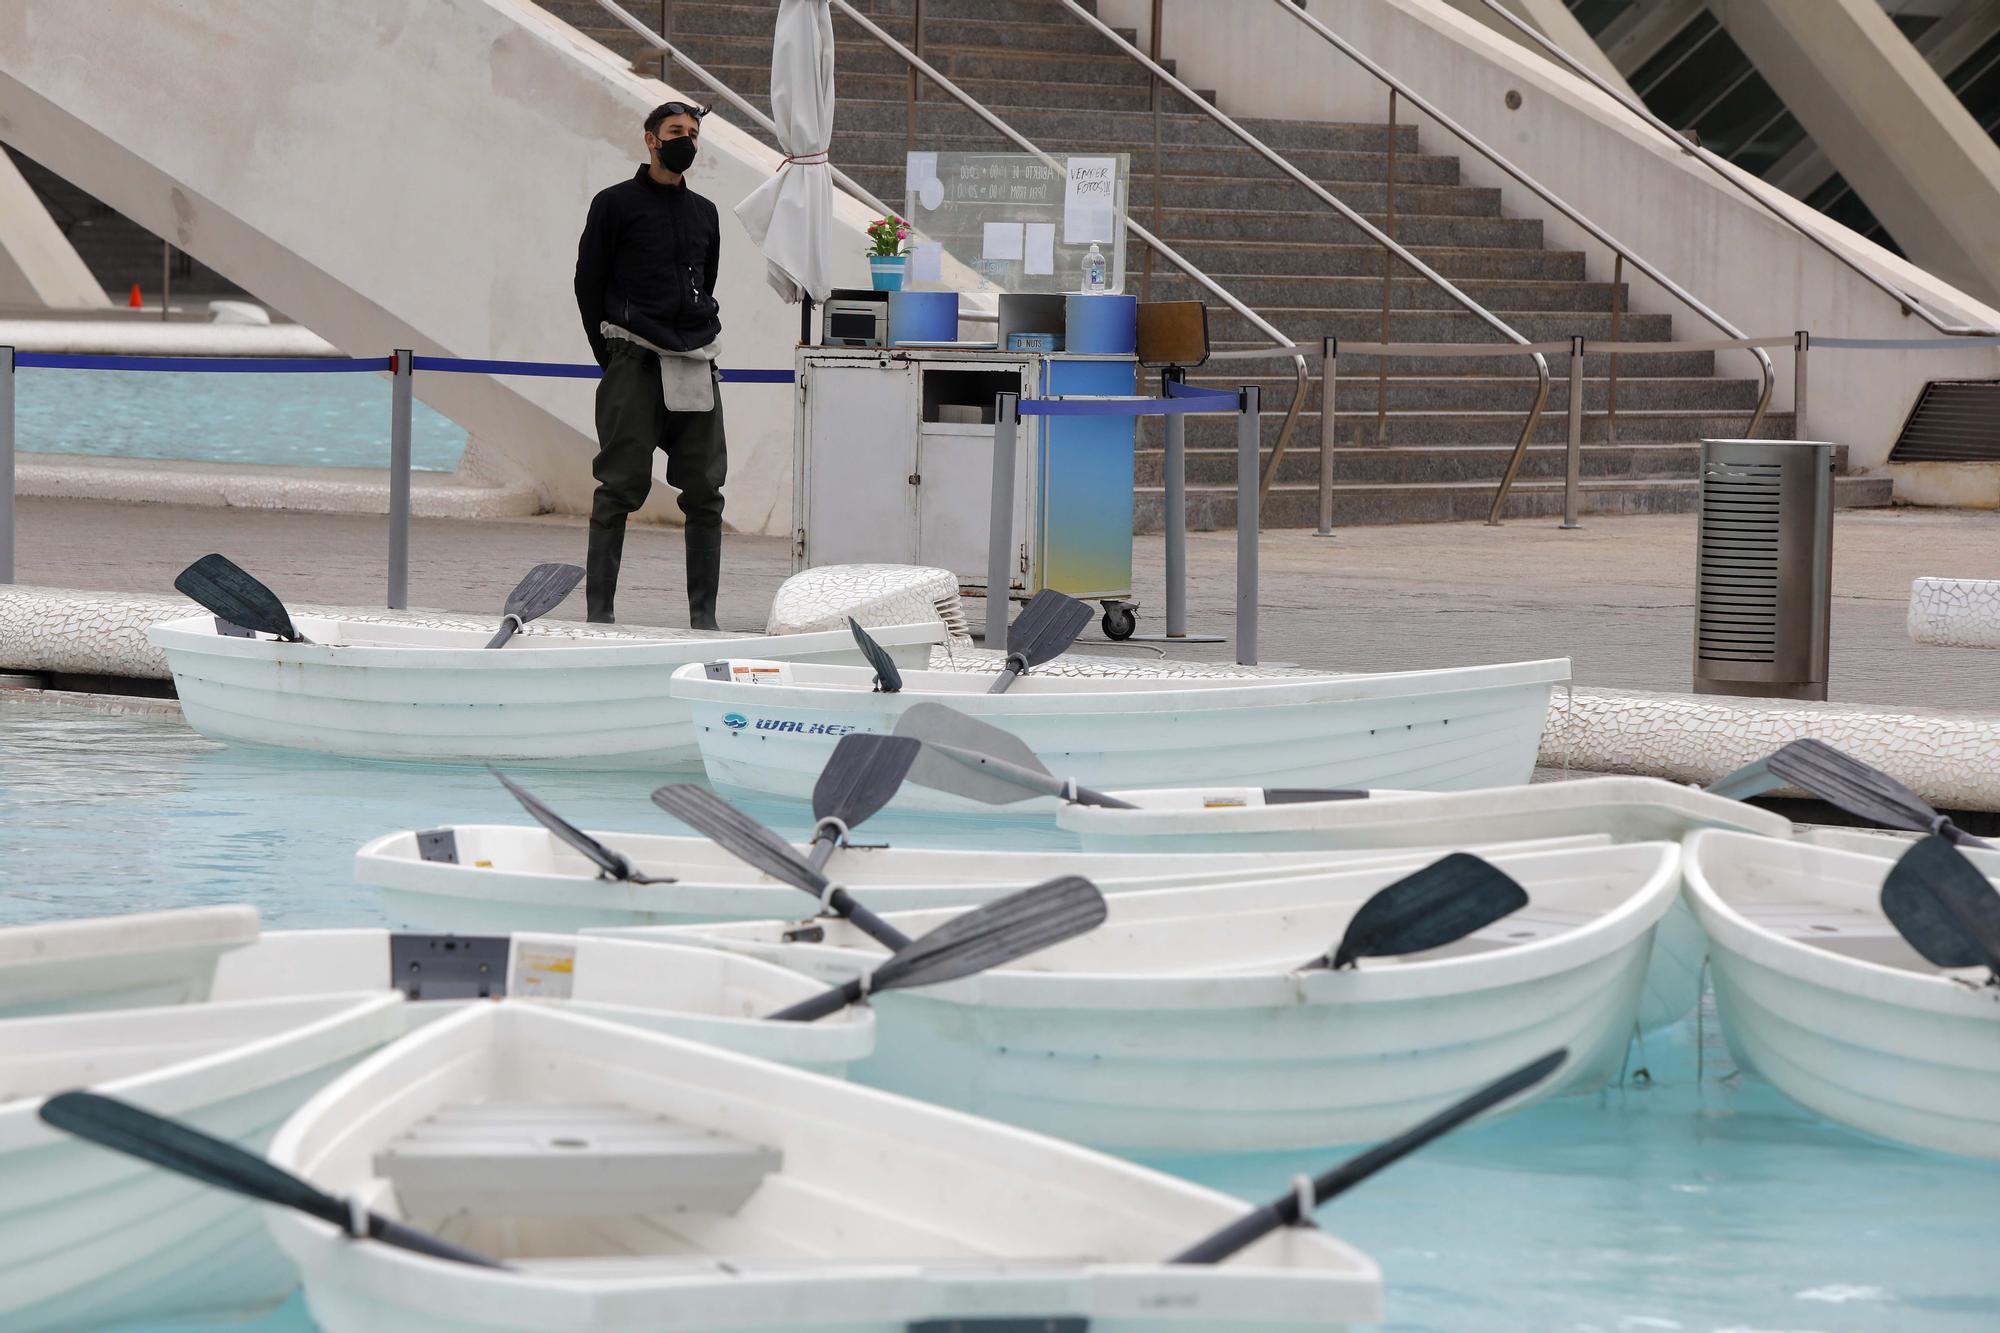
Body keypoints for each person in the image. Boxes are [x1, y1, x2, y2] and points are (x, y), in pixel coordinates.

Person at [573, 100, 726, 628]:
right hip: (631, 360)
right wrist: (611, 360)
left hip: (694, 362)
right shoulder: (613, 204)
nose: (686, 139)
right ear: (650, 139)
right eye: (675, 131)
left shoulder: (705, 212)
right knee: (619, 487)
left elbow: (706, 280)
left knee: (706, 491)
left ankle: (704, 620)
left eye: (693, 132)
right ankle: (600, 616)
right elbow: (588, 286)